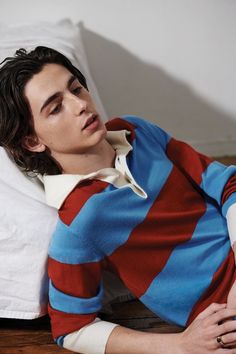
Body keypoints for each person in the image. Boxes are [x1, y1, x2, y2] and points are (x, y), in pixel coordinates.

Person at [1, 46, 236, 354]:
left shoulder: (136, 130)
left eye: (76, 89)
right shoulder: (79, 222)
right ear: (33, 140)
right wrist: (181, 344)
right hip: (221, 313)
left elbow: (225, 182)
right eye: (55, 108)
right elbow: (71, 329)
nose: (80, 105)